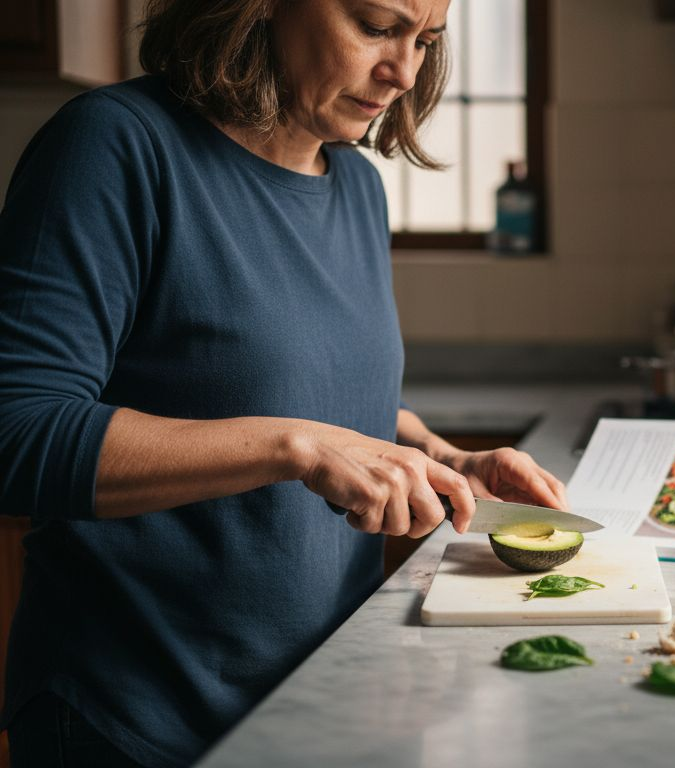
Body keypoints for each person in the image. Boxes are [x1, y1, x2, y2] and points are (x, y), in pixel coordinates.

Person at [0, 1, 567, 765]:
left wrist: (443, 456)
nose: (404, 71)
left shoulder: (356, 184)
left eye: (425, 41)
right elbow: (19, 432)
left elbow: (293, 381)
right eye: (375, 26)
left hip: (322, 705)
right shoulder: (115, 146)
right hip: (142, 720)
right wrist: (295, 446)